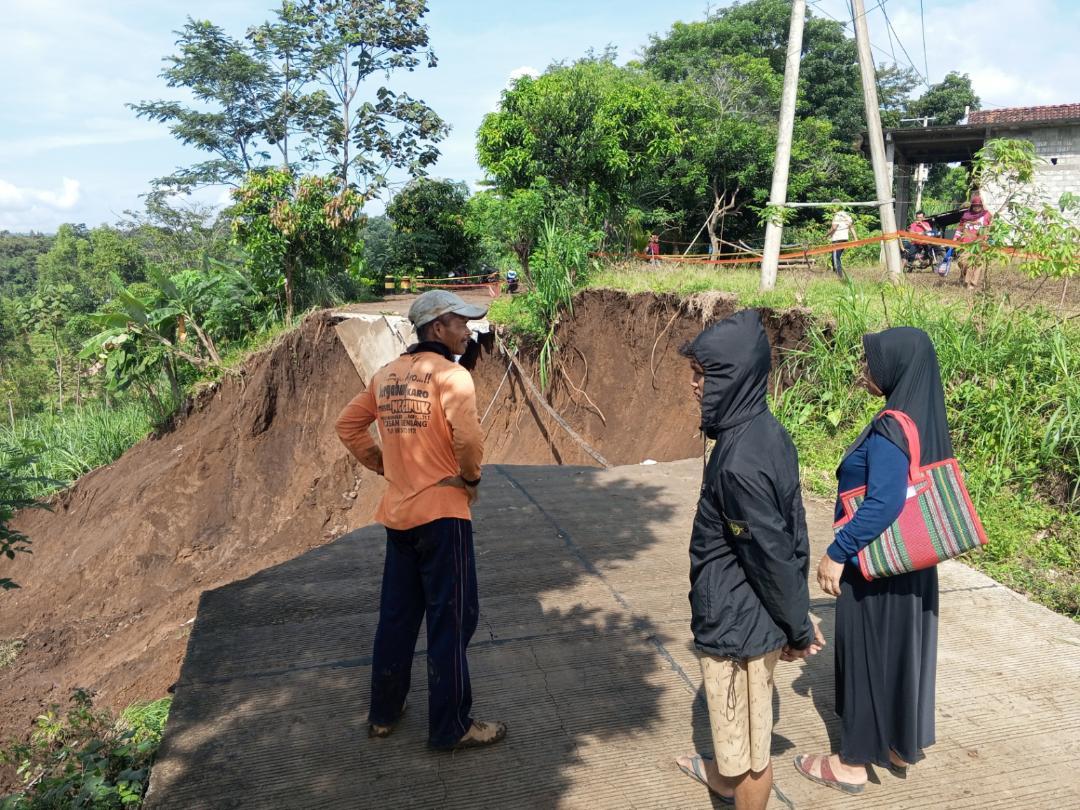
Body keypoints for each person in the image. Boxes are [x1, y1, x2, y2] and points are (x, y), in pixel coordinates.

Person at [335, 289, 507, 751]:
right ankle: (451, 726)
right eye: (460, 322)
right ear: (437, 329)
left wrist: (384, 466)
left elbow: (347, 426)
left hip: (399, 517)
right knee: (451, 620)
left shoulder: (386, 376)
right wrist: (470, 479)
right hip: (444, 517)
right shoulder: (453, 377)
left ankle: (384, 713)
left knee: (396, 619)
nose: (468, 330)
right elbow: (468, 441)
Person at [675, 310, 825, 809]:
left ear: (733, 378)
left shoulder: (739, 461)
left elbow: (770, 553)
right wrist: (793, 613)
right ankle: (720, 777)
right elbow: (787, 534)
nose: (694, 385)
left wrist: (797, 626)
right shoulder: (763, 429)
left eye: (704, 375)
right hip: (751, 616)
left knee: (752, 755)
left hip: (739, 627)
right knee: (735, 737)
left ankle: (734, 784)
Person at [795, 327, 946, 795]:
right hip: (913, 565)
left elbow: (882, 503)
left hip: (874, 565)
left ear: (896, 368)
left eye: (872, 362)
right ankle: (901, 743)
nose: (865, 370)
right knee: (902, 652)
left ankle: (853, 762)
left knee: (864, 654)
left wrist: (836, 553)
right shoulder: (924, 419)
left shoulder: (890, 427)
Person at [954, 194, 992, 289]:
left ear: (981, 206)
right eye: (975, 205)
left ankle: (971, 284)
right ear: (972, 206)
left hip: (979, 243)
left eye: (979, 205)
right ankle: (964, 276)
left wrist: (988, 238)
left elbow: (991, 228)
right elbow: (960, 227)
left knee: (976, 263)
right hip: (965, 243)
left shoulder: (987, 215)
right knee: (962, 262)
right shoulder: (966, 215)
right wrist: (955, 237)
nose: (977, 207)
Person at [827, 206, 856, 279]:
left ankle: (839, 277)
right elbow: (851, 228)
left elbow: (834, 228)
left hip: (837, 239)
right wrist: (856, 239)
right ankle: (836, 274)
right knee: (836, 257)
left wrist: (827, 235)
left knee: (835, 258)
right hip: (845, 239)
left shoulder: (837, 216)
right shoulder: (848, 216)